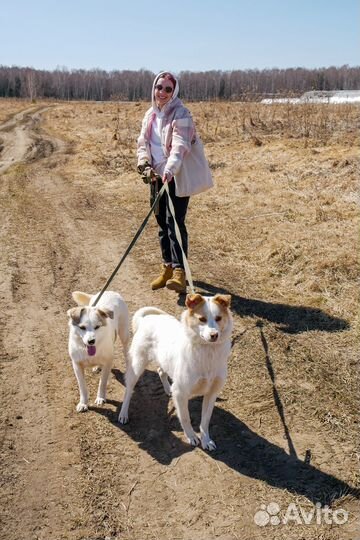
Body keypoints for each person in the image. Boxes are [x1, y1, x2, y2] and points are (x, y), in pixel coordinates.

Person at [137, 71, 213, 293]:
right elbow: (143, 142)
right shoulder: (149, 115)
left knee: (175, 223)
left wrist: (170, 169)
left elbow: (181, 145)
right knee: (161, 222)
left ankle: (180, 272)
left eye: (168, 89)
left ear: (174, 91)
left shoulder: (182, 114)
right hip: (155, 176)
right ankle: (167, 268)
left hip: (176, 176)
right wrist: (143, 163)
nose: (162, 92)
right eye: (159, 87)